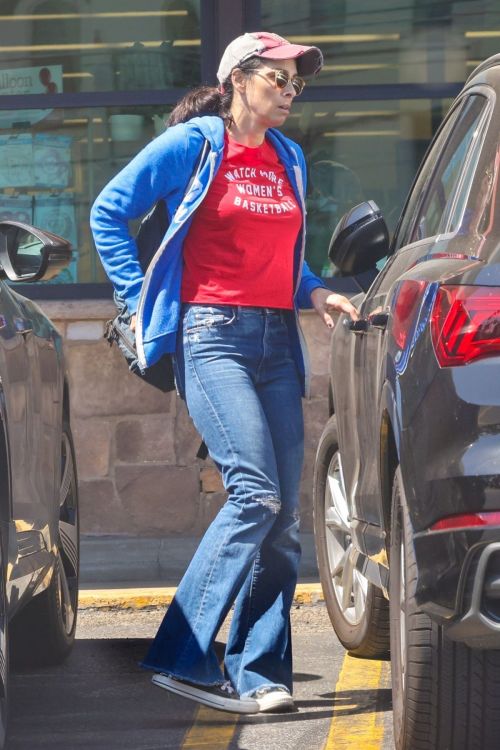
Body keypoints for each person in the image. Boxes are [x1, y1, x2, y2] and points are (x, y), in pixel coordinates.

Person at [90, 30, 359, 716]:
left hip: (277, 341)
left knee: (284, 520)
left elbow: (281, 260)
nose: (290, 91)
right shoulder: (197, 144)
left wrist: (317, 291)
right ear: (239, 78)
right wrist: (138, 297)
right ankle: (185, 654)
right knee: (255, 494)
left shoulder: (290, 158)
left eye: (297, 82)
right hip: (211, 339)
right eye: (277, 78)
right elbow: (109, 212)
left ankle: (258, 672)